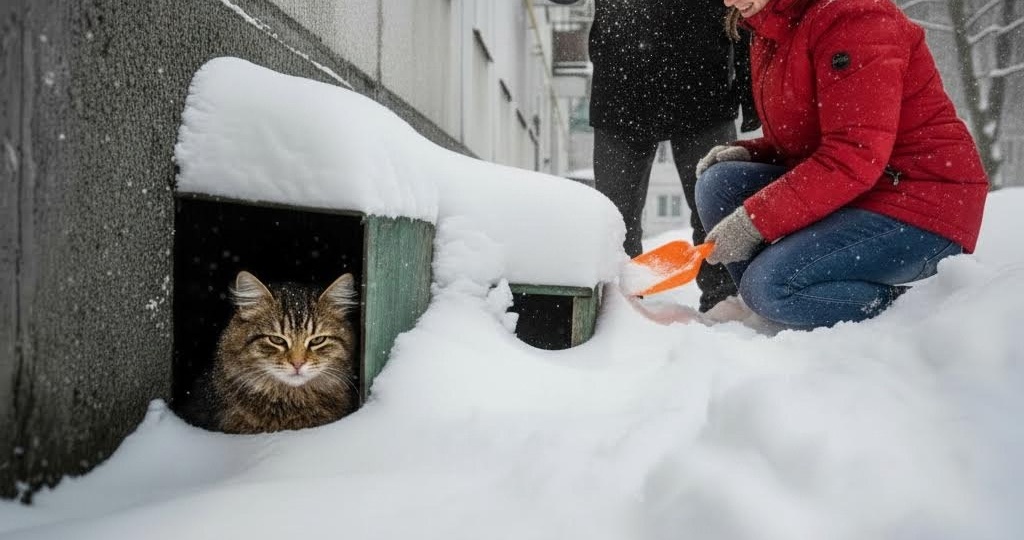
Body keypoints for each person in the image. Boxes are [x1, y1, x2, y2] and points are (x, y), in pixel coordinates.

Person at [694, 0, 989, 329]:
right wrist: (754, 152)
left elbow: (854, 153)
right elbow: (817, 134)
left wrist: (754, 222)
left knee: (769, 287)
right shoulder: (771, 25)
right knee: (719, 183)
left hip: (920, 206)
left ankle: (917, 311)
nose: (729, 1)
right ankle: (772, 305)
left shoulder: (855, 16)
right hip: (860, 190)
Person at [587, 0, 760, 313]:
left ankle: (725, 306)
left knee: (715, 210)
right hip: (624, 86)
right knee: (615, 218)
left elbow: (744, 11)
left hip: (702, 85)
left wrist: (751, 95)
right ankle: (617, 308)